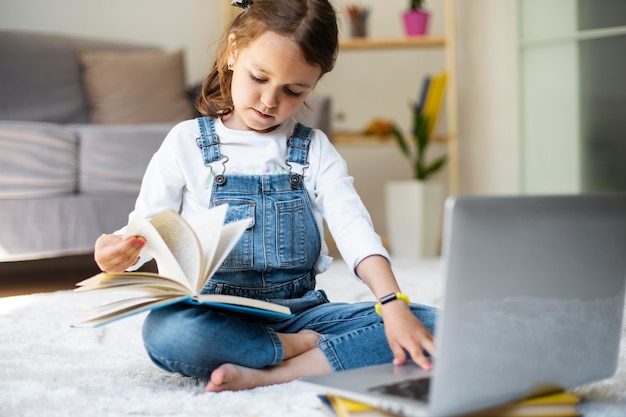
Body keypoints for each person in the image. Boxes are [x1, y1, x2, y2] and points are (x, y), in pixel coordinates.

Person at [94, 0, 436, 392]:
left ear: (315, 82)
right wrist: (119, 251)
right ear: (234, 51)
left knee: (429, 324)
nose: (270, 101)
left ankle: (273, 370)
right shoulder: (185, 142)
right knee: (167, 333)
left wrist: (393, 303)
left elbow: (353, 227)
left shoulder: (314, 149)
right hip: (215, 316)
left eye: (294, 90)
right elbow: (150, 229)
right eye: (259, 78)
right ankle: (291, 351)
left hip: (301, 314)